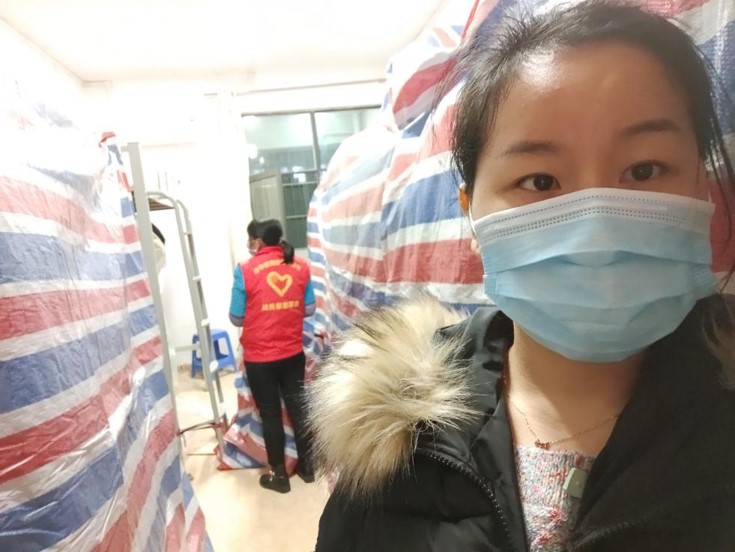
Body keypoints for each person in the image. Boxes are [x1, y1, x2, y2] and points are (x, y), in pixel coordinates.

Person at [308, 1, 735, 550]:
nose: (596, 224)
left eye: (643, 169)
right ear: (472, 214)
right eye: (540, 181)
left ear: (701, 187)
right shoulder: (389, 437)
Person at [229, 219, 317, 493]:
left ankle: (279, 476)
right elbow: (310, 309)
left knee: (270, 414)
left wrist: (262, 310)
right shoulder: (300, 265)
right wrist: (284, 310)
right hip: (292, 353)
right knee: (298, 409)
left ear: (257, 241)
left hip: (260, 358)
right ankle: (308, 468)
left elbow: (236, 318)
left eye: (249, 239)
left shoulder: (245, 270)